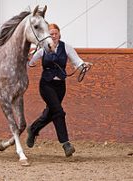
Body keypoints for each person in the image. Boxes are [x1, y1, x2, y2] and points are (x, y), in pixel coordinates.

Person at [26, 23, 92, 157]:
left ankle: (33, 129)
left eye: (55, 33)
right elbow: (30, 62)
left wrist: (84, 65)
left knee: (51, 112)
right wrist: (26, 59)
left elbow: (78, 62)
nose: (53, 36)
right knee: (58, 112)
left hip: (60, 86)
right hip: (46, 85)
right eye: (51, 34)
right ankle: (66, 143)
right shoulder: (43, 49)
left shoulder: (66, 47)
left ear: (59, 34)